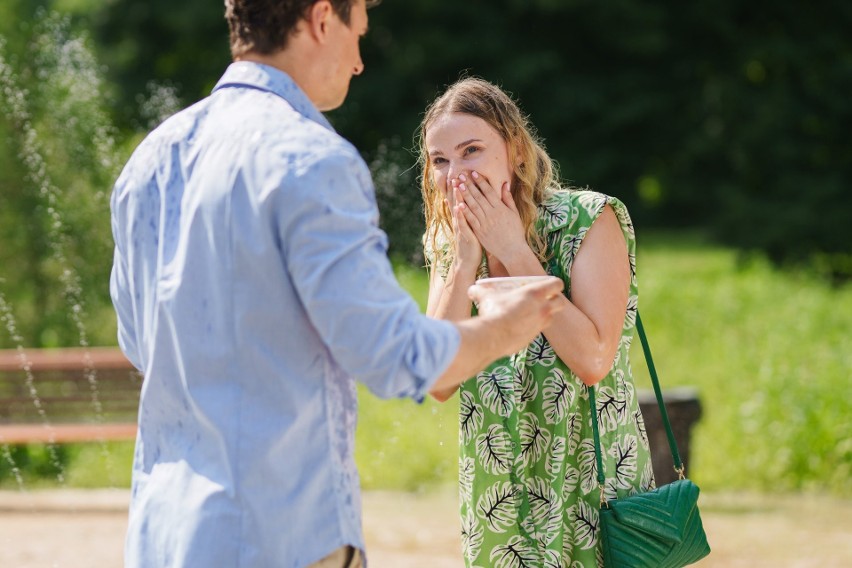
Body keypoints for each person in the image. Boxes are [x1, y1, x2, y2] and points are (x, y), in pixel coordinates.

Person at [108, 2, 566, 567]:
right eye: (358, 34)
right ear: (323, 18)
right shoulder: (312, 159)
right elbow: (397, 357)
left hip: (163, 535)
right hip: (281, 536)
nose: (358, 63)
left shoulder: (148, 161)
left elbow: (139, 345)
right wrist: (507, 327)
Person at [418, 77, 656, 566]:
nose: (455, 174)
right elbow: (437, 381)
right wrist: (463, 263)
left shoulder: (590, 219)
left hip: (592, 483)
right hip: (498, 494)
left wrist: (512, 250)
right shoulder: (449, 241)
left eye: (471, 151)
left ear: (516, 152)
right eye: (440, 160)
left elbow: (592, 359)